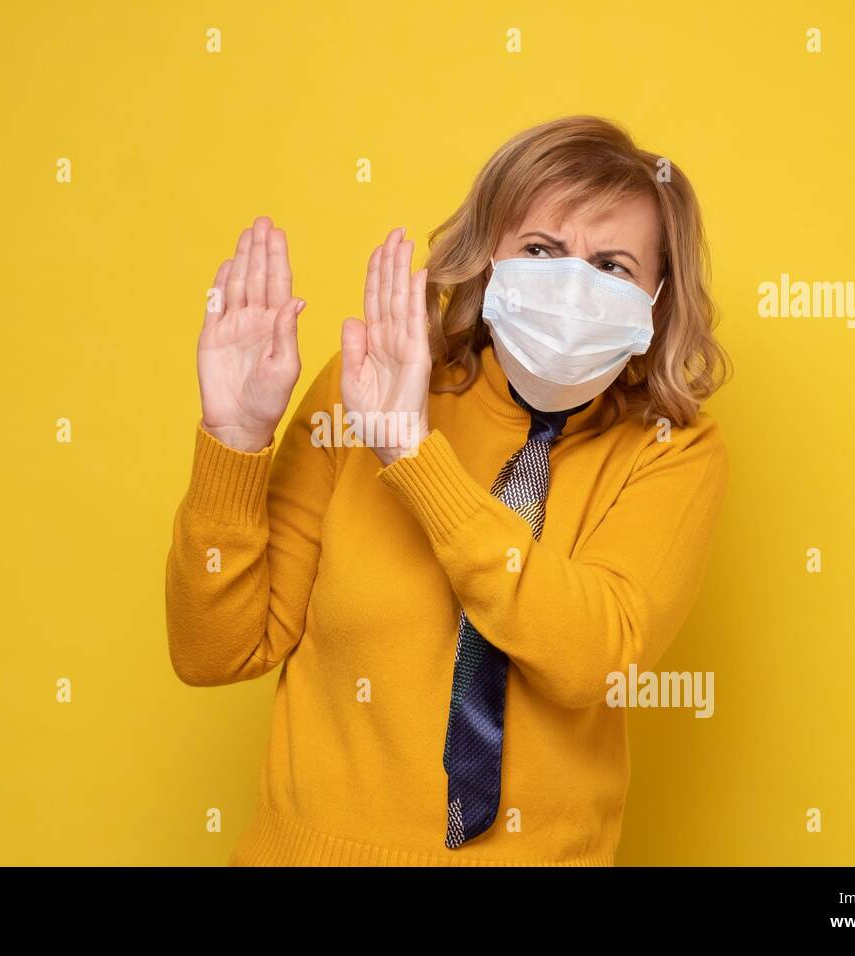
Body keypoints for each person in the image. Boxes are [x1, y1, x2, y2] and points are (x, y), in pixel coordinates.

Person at [166, 115, 732, 865]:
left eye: (611, 266)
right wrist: (233, 442)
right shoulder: (358, 392)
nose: (571, 285)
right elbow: (216, 653)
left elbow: (595, 656)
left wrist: (413, 457)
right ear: (489, 259)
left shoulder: (673, 451)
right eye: (541, 250)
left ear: (656, 299)